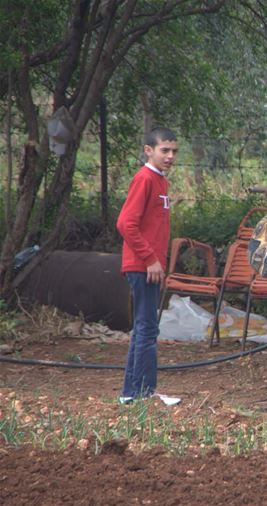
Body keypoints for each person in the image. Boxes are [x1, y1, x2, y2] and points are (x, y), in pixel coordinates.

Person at [116, 127, 181, 406]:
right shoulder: (144, 179)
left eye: (174, 151)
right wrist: (151, 259)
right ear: (148, 150)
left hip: (150, 267)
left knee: (145, 327)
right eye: (164, 150)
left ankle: (131, 393)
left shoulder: (161, 181)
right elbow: (125, 223)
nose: (170, 156)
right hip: (142, 266)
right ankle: (142, 393)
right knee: (146, 328)